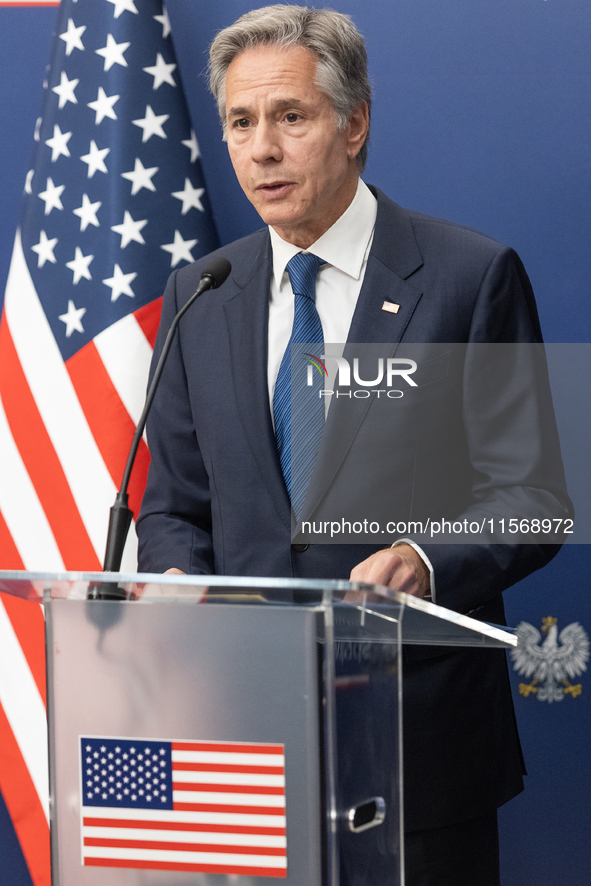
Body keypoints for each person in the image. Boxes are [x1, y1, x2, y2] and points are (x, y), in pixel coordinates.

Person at [136, 6, 570, 884]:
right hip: (242, 742)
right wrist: (175, 576)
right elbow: (174, 505)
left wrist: (422, 555)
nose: (262, 149)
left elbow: (536, 499)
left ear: (354, 122)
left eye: (289, 117)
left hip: (415, 748)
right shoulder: (199, 291)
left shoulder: (468, 277)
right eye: (241, 122)